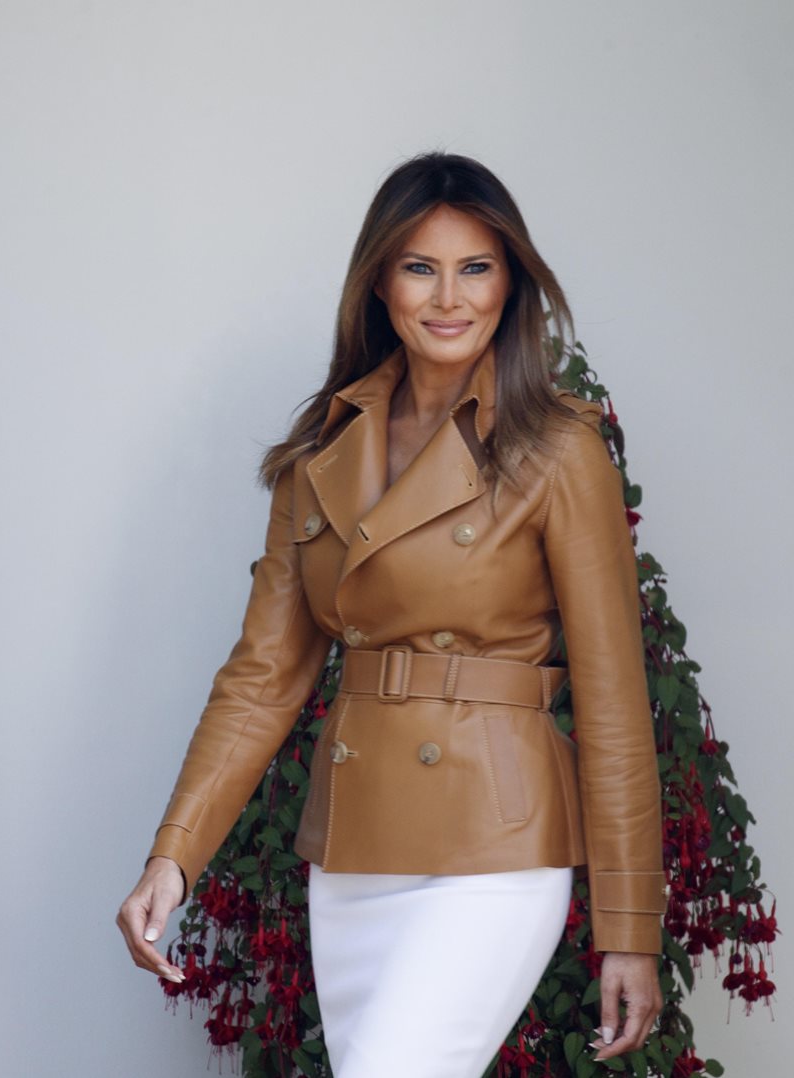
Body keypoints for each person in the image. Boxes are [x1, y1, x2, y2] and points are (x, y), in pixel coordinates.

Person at [116, 152, 666, 1077]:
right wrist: (172, 857)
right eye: (420, 267)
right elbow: (262, 678)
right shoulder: (320, 453)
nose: (449, 298)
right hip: (356, 850)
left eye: (476, 268)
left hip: (495, 843)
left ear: (511, 283)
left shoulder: (558, 448)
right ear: (379, 281)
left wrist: (630, 927)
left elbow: (614, 702)